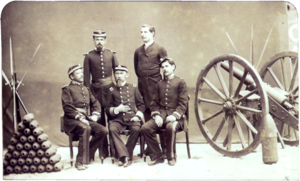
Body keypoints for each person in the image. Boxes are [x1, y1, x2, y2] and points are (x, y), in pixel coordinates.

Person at [141, 58, 188, 166]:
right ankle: (158, 155)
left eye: (166, 66)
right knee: (145, 128)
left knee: (170, 127)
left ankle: (171, 156)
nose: (164, 69)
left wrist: (174, 116)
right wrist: (157, 115)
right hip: (161, 115)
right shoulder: (160, 84)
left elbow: (183, 103)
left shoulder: (180, 82)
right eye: (162, 67)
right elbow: (154, 103)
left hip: (178, 117)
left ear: (173, 67)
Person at [62, 64, 108, 170]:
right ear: (72, 76)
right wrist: (80, 118)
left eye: (81, 72)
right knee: (85, 128)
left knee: (103, 130)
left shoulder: (85, 89)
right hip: (72, 120)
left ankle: (87, 154)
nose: (81, 75)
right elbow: (67, 107)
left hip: (85, 118)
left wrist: (96, 115)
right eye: (78, 73)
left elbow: (95, 103)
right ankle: (79, 162)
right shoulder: (67, 89)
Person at [83, 29, 119, 159]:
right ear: (93, 40)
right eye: (97, 39)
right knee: (100, 122)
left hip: (110, 91)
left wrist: (117, 91)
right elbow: (86, 78)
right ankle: (103, 152)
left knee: (113, 121)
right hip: (96, 92)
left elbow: (118, 74)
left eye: (102, 39)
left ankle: (115, 151)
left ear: (105, 40)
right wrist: (88, 95)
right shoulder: (89, 56)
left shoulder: (111, 54)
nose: (99, 42)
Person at [134, 24, 168, 157]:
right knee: (147, 116)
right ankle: (151, 147)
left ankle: (164, 149)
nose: (143, 34)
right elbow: (137, 69)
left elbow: (166, 69)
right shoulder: (138, 51)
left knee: (159, 117)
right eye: (141, 32)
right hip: (143, 87)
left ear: (153, 33)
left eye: (146, 32)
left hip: (156, 86)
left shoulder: (160, 49)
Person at [106, 65, 145, 167]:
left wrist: (138, 116)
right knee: (112, 129)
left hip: (132, 118)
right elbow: (107, 109)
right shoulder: (111, 90)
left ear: (127, 75)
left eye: (121, 73)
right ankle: (125, 157)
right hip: (117, 119)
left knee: (136, 129)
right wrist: (117, 109)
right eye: (117, 73)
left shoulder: (133, 88)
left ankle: (124, 155)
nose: (118, 76)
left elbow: (141, 105)